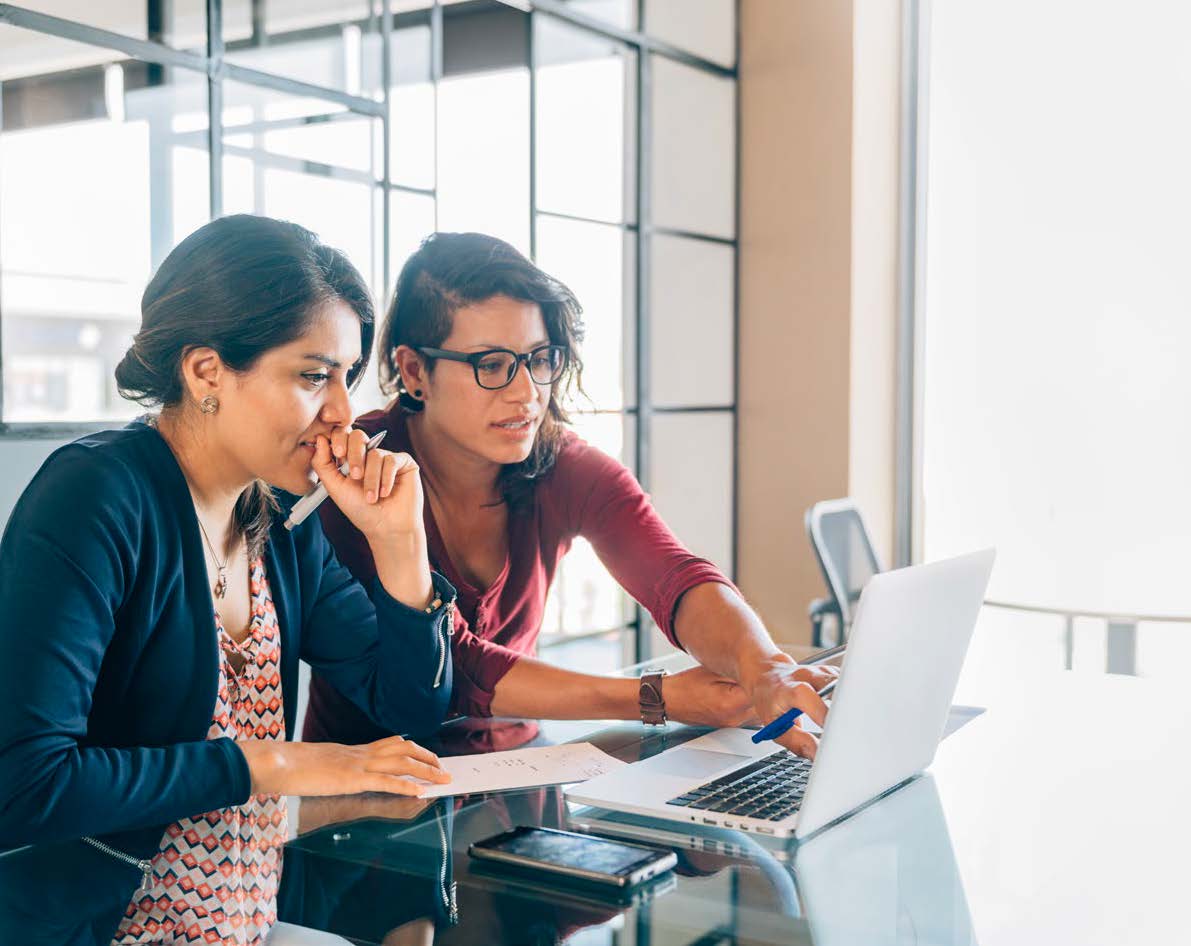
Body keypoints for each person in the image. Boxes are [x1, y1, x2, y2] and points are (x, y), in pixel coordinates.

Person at [0, 215, 457, 946]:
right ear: (206, 371)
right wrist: (271, 763)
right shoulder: (95, 497)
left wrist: (400, 545)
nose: (342, 413)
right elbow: (25, 785)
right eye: (312, 376)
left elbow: (409, 704)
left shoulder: (272, 520)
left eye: (345, 378)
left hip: (248, 926)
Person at [304, 232, 834, 758]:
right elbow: (457, 668)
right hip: (368, 801)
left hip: (521, 770)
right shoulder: (356, 474)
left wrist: (764, 667)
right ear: (416, 371)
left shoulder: (559, 462)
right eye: (491, 365)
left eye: (539, 359)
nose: (527, 392)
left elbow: (675, 576)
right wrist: (656, 697)